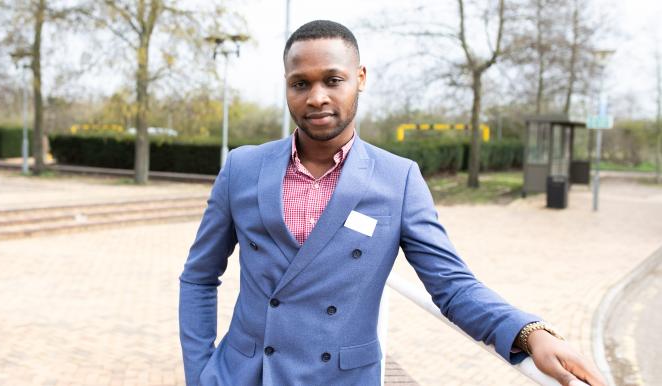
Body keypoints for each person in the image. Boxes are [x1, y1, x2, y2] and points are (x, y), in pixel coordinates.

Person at [178, 19, 606, 386]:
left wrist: (531, 333)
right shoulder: (243, 168)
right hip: (245, 375)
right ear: (287, 86)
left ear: (360, 78)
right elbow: (199, 277)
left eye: (333, 79)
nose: (317, 97)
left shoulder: (398, 179)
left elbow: (452, 287)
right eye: (300, 83)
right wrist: (200, 372)